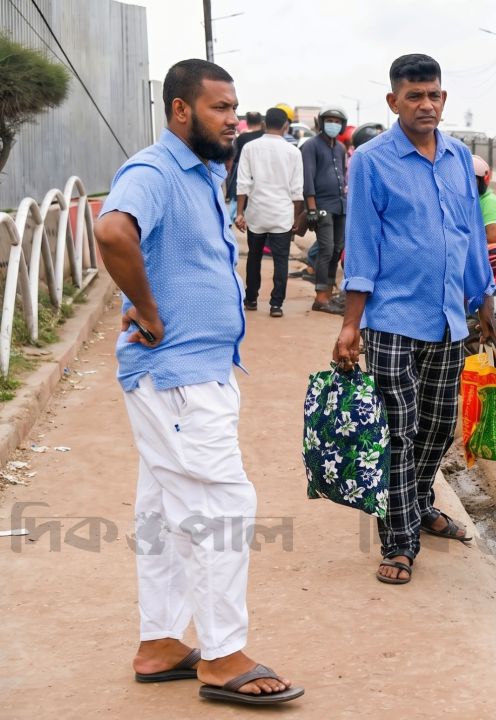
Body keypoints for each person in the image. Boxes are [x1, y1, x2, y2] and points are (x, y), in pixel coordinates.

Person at [93, 59, 302, 706]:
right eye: (220, 109)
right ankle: (221, 654)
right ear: (181, 110)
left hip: (195, 371)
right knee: (221, 505)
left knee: (161, 510)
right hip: (178, 375)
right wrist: (148, 311)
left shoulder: (202, 172)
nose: (233, 120)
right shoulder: (155, 170)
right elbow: (111, 229)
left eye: (235, 108)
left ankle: (159, 643)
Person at [332, 53, 496, 585]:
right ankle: (399, 542)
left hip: (448, 320)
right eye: (414, 96)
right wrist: (349, 325)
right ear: (393, 101)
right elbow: (361, 244)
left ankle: (417, 502)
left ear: (443, 98)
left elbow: (469, 237)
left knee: (436, 428)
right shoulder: (373, 161)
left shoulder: (457, 158)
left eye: (434, 95)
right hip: (391, 320)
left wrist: (484, 301)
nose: (426, 105)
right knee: (399, 432)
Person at [235, 107, 303, 317]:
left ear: (264, 124)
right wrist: (295, 218)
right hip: (281, 215)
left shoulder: (250, 147)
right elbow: (297, 191)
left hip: (256, 214)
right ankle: (276, 305)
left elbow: (242, 183)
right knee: (280, 261)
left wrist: (239, 213)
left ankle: (251, 299)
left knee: (254, 258)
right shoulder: (294, 151)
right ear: (285, 126)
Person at [301, 106, 349, 314]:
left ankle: (328, 294)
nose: (333, 124)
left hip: (340, 205)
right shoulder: (311, 146)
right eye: (329, 120)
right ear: (321, 122)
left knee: (337, 249)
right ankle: (320, 297)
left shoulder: (339, 148)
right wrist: (311, 208)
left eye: (337, 121)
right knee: (326, 250)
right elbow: (308, 177)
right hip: (322, 206)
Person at [474, 155, 496, 281]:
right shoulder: (473, 199)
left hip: (481, 259)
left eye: (474, 180)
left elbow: (493, 236)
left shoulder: (489, 202)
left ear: (483, 180)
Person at [224, 110, 263, 219]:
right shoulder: (264, 136)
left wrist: (229, 171)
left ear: (248, 122)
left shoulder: (242, 138)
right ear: (260, 122)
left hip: (242, 171)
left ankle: (231, 220)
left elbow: (234, 157)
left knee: (236, 197)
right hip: (261, 174)